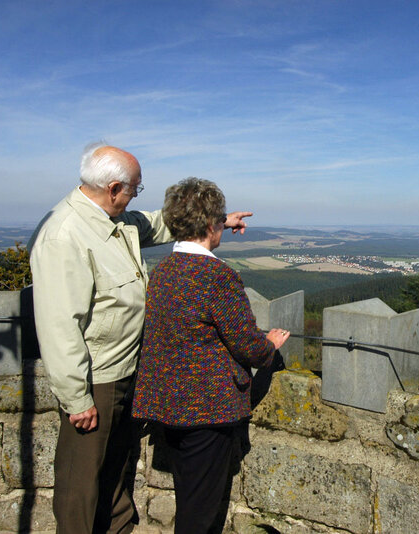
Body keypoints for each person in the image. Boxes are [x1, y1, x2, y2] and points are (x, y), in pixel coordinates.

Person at [29, 143, 252, 534]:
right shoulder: (65, 235)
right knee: (80, 480)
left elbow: (157, 223)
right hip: (95, 378)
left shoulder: (113, 220)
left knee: (115, 465)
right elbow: (59, 324)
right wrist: (76, 397)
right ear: (114, 188)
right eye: (135, 188)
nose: (136, 195)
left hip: (127, 369)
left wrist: (216, 220)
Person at [131, 177, 289, 533]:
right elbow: (246, 343)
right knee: (200, 514)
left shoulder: (163, 272)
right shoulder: (217, 276)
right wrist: (271, 347)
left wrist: (220, 218)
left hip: (166, 405)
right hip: (205, 411)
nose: (222, 225)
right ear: (209, 226)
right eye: (219, 220)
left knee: (189, 496)